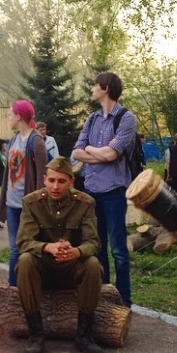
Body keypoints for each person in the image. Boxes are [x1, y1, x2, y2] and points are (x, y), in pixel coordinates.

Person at [16, 156, 103, 353]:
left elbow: (94, 242)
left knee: (92, 265)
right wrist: (47, 247)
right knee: (25, 261)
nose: (56, 186)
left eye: (62, 181)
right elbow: (23, 242)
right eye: (52, 180)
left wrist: (78, 251)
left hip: (71, 266)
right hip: (44, 267)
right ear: (44, 180)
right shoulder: (31, 202)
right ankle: (36, 334)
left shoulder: (85, 203)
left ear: (71, 182)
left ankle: (84, 335)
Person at [72, 72, 135, 307]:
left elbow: (113, 153)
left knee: (118, 250)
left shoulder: (126, 118)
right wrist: (97, 152)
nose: (92, 90)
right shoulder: (92, 119)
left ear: (105, 88)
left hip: (114, 191)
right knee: (97, 248)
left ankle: (124, 301)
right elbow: (77, 152)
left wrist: (91, 150)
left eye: (94, 85)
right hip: (91, 191)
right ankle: (105, 297)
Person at [0, 100, 47, 286]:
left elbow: (43, 178)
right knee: (14, 249)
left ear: (19, 117)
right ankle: (13, 288)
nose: (8, 118)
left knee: (29, 248)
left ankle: (30, 286)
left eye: (10, 114)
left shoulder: (36, 142)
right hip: (11, 204)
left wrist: (38, 207)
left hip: (28, 206)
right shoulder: (13, 139)